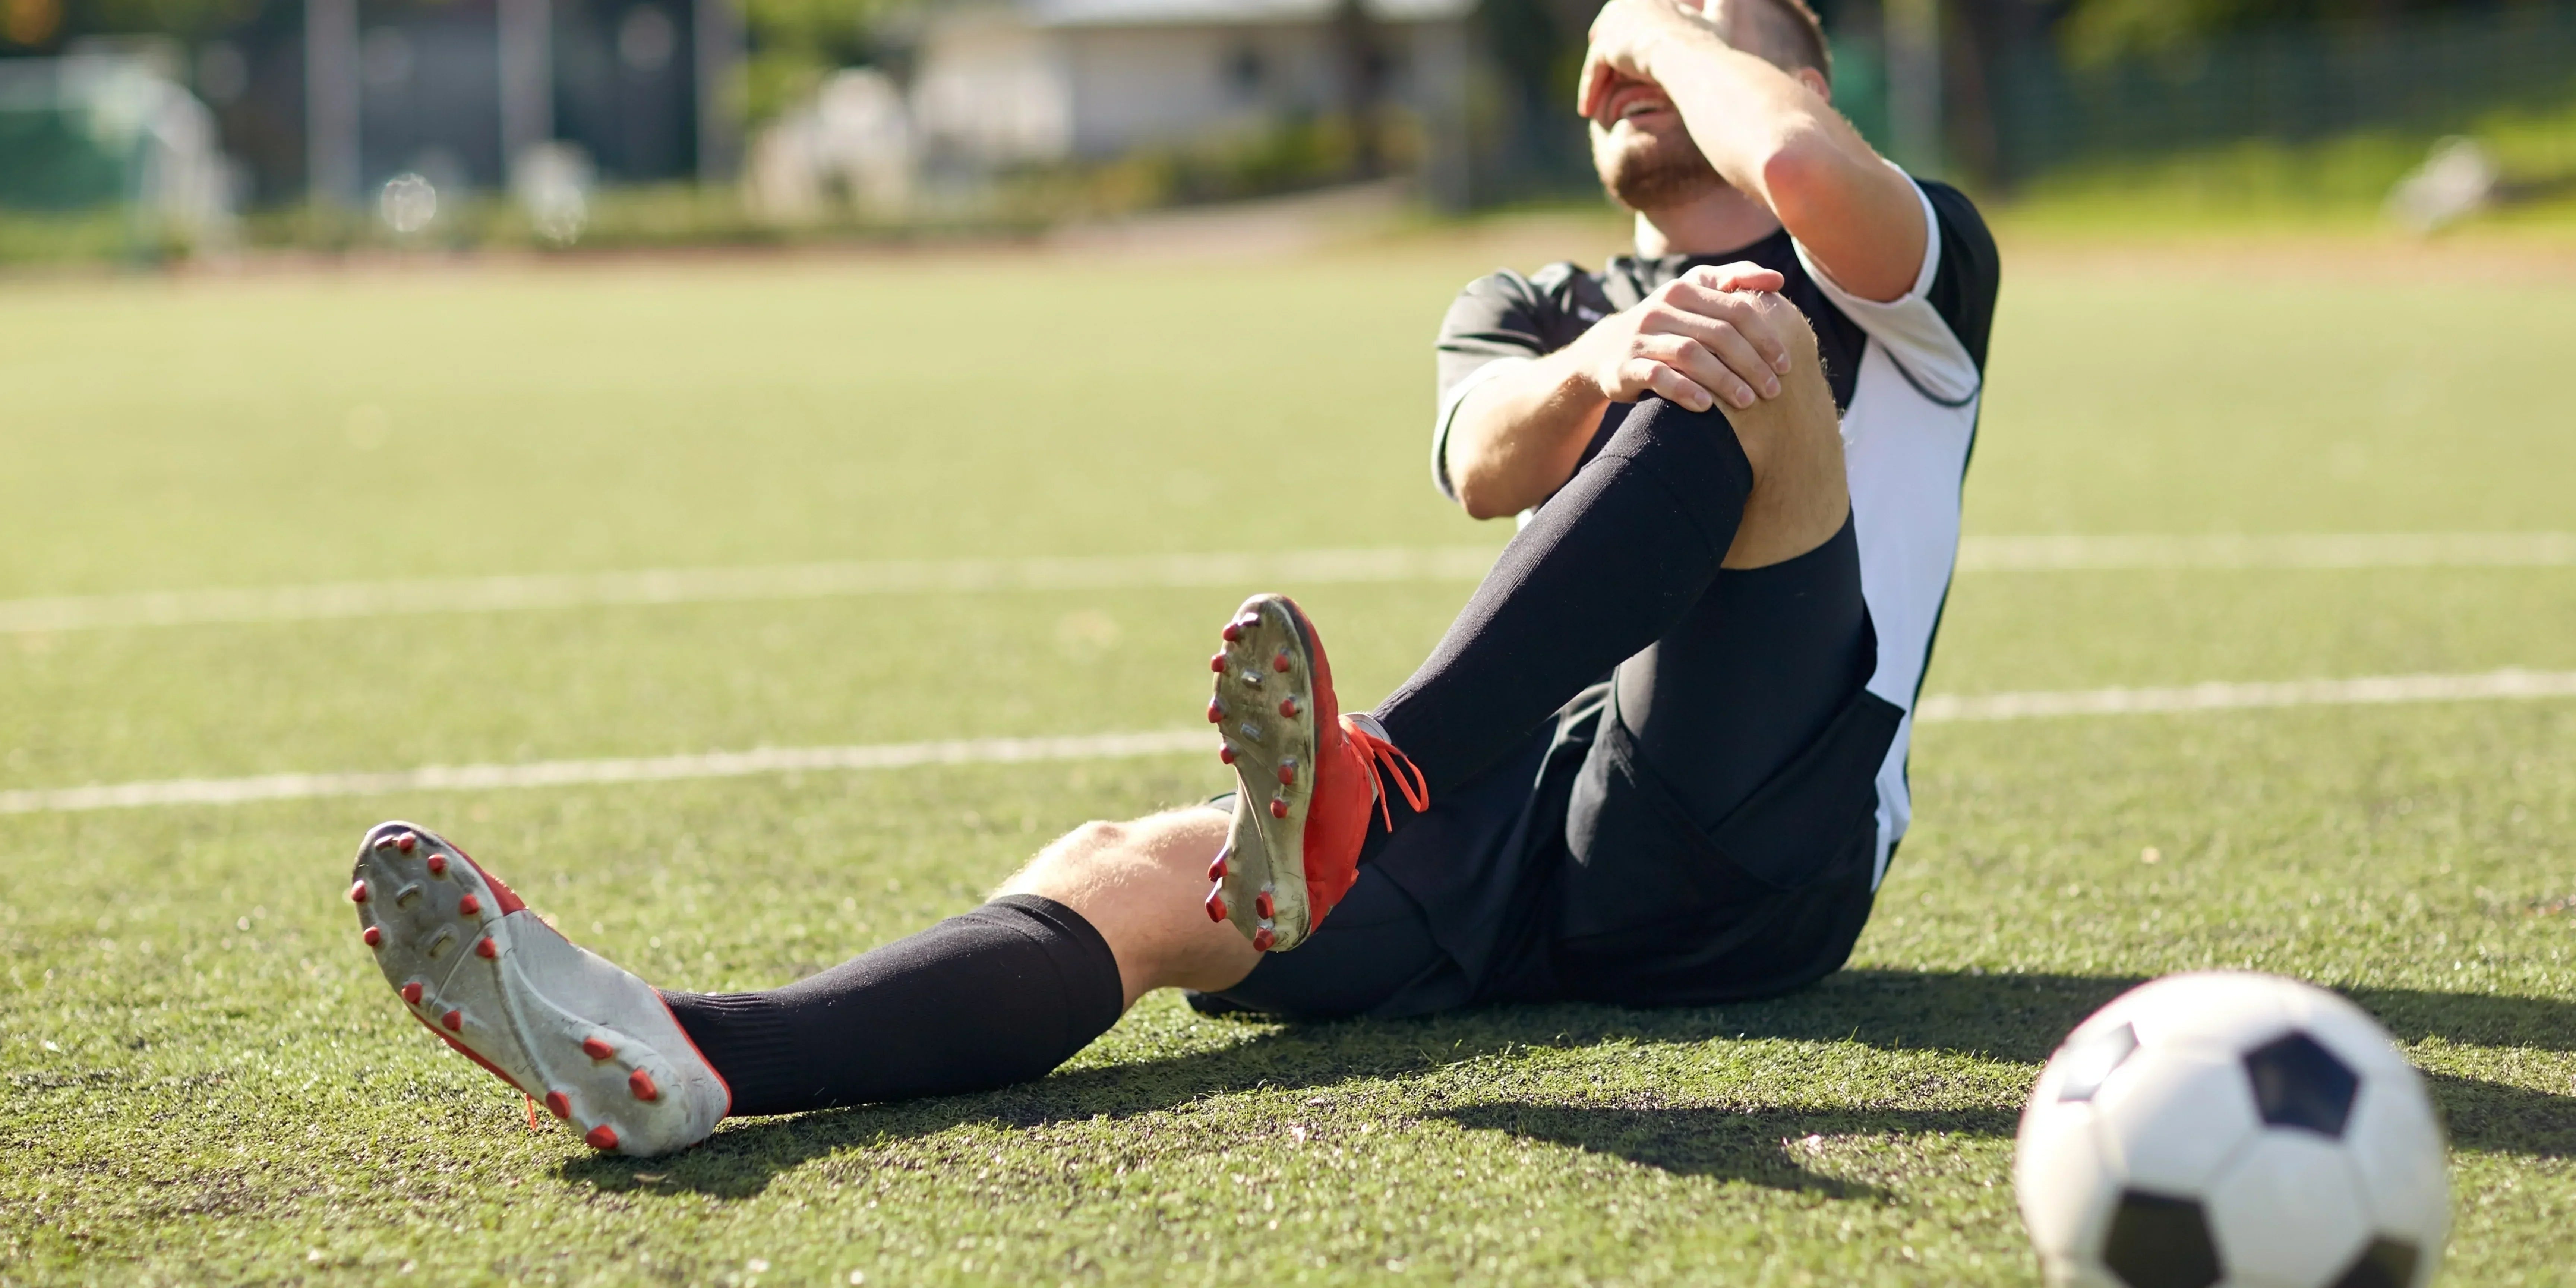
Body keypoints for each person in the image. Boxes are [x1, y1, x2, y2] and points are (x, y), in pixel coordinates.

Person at [342, 0, 1998, 1158]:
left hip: (1756, 851)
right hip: (1515, 849)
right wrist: (1600, 357)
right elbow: (1491, 454)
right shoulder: (1530, 295)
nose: (1641, 47)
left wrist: (1666, 31)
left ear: (1806, 72)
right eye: (1623, 41)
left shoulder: (1906, 273)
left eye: (1717, 22)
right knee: (1133, 869)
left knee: (1743, 339)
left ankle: (1374, 774)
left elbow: (1795, 185)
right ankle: (697, 1052)